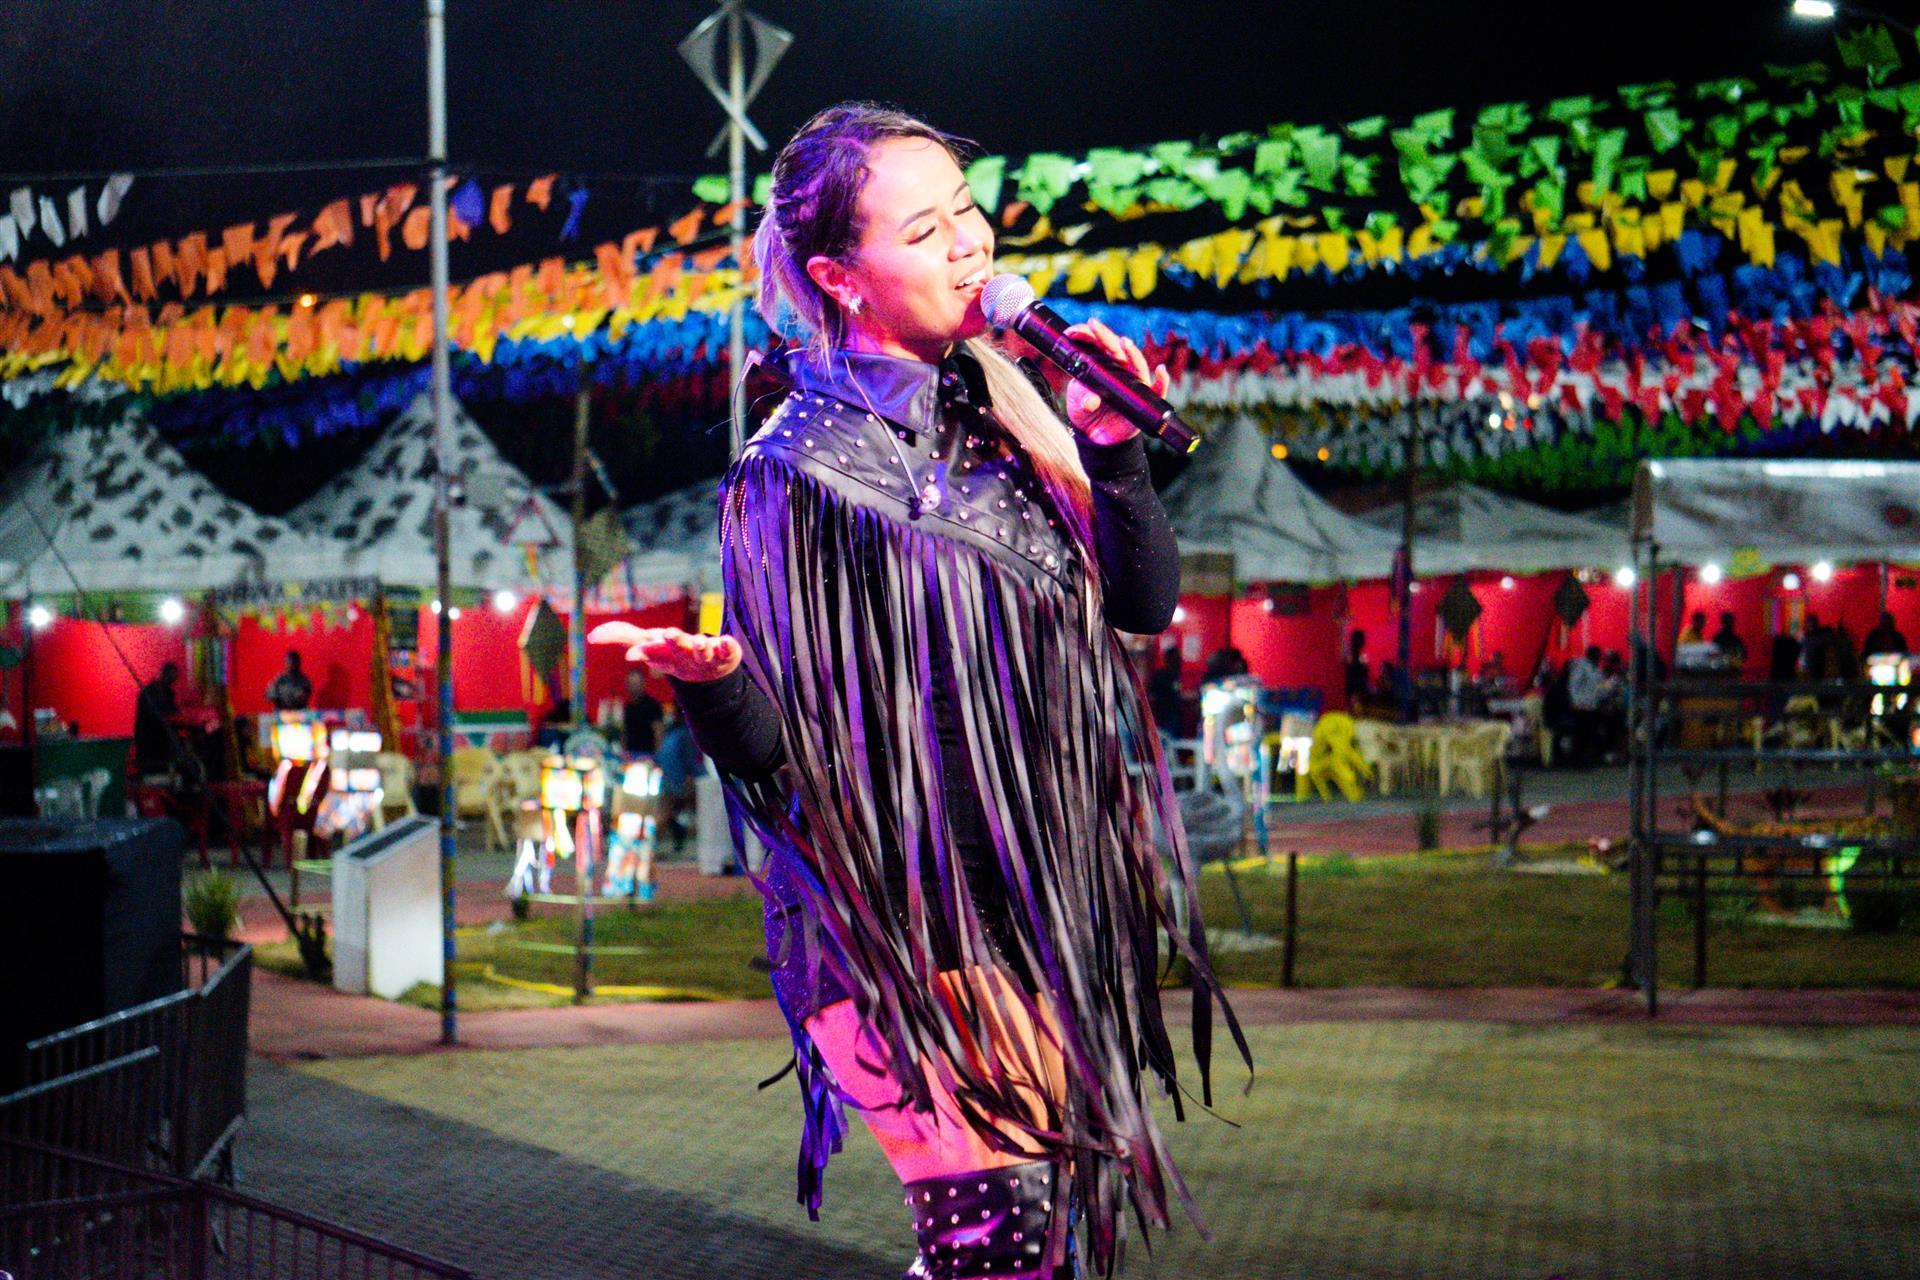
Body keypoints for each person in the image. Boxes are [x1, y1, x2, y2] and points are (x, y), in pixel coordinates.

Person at [590, 104, 1245, 1280]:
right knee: (999, 1243)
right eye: (926, 228)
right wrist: (720, 688)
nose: (970, 244)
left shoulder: (1007, 420)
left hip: (1038, 912)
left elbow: (1144, 604)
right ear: (838, 278)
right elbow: (781, 759)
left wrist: (1113, 450)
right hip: (897, 925)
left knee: (1030, 1254)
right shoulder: (792, 472)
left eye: (969, 211)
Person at [651, 705, 706, 854]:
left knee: (670, 810)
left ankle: (674, 835)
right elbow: (690, 759)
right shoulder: (685, 734)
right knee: (669, 811)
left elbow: (661, 756)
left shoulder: (671, 732)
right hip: (676, 777)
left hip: (667, 775)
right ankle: (649, 846)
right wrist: (694, 776)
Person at [133, 661, 182, 776]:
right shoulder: (148, 693)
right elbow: (154, 715)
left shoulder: (168, 693)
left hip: (162, 738)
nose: (172, 682)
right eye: (170, 678)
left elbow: (174, 712)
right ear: (163, 674)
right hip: (149, 738)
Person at [621, 667, 664, 755]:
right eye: (631, 684)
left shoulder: (652, 705)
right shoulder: (627, 706)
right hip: (630, 753)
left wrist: (657, 755)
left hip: (647, 753)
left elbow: (658, 732)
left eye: (636, 684)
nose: (634, 687)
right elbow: (625, 732)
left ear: (643, 684)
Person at [1147, 646, 1185, 738]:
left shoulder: (1176, 675)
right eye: (1176, 659)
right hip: (1165, 715)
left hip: (1174, 715)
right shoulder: (1161, 676)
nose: (1179, 662)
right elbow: (1151, 694)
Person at [1344, 630, 1370, 705]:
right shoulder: (1362, 654)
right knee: (1355, 703)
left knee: (1353, 704)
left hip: (1352, 683)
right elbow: (1365, 671)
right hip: (1357, 684)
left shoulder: (1350, 653)